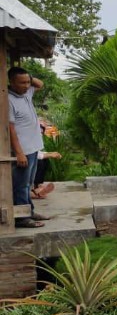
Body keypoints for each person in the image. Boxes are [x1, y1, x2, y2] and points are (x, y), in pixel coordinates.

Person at [8, 67, 50, 228]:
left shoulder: (26, 92)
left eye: (27, 82)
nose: (27, 85)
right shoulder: (8, 100)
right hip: (23, 150)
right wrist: (19, 153)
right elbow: (10, 128)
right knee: (20, 185)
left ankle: (30, 211)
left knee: (29, 183)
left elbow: (40, 84)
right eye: (22, 82)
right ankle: (21, 218)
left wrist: (28, 78)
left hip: (33, 148)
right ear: (11, 82)